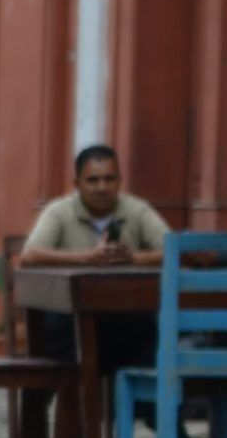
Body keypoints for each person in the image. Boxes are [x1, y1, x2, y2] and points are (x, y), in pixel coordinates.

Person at [16, 144, 169, 370]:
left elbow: (175, 252)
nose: (102, 188)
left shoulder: (137, 210)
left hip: (125, 315)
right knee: (68, 333)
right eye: (93, 180)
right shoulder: (59, 211)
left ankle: (133, 402)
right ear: (77, 184)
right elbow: (29, 256)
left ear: (120, 181)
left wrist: (133, 259)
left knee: (148, 333)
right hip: (70, 319)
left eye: (109, 179)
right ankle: (84, 402)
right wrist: (88, 258)